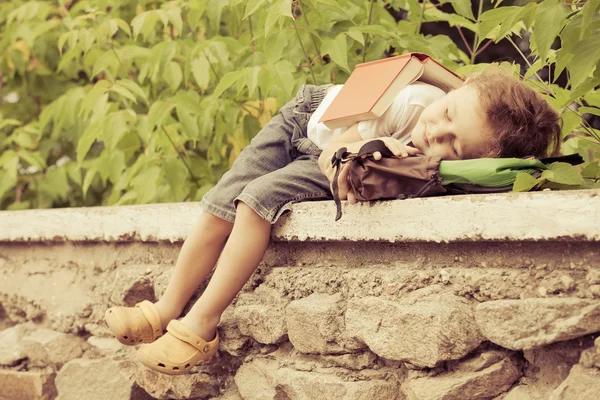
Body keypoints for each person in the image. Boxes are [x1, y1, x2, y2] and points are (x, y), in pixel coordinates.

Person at [104, 68, 561, 375]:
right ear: (451, 95)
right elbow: (331, 151)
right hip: (306, 124)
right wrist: (371, 146)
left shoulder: (433, 149)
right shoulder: (414, 103)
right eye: (446, 115)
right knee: (221, 200)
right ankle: (165, 308)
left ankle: (200, 323)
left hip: (329, 147)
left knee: (255, 201)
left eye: (453, 146)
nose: (433, 133)